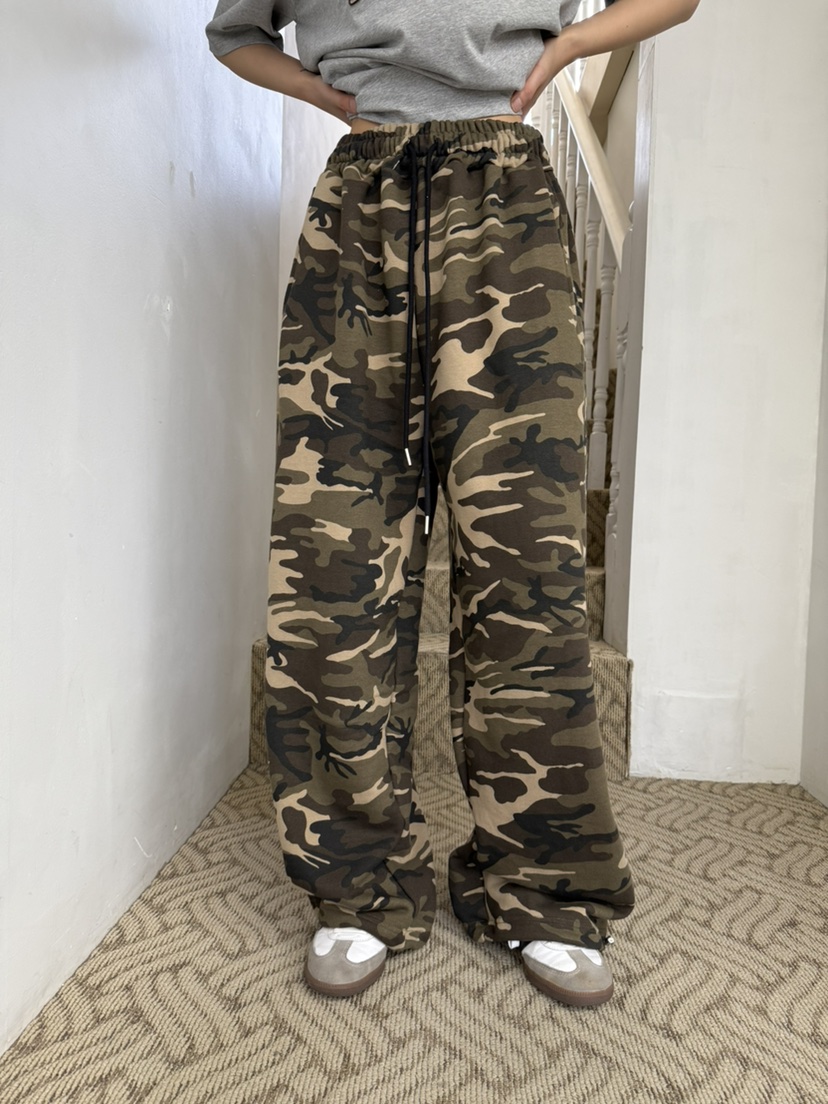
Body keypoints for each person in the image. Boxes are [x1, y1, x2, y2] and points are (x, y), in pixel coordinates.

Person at [205, 0, 700, 1008]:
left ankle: (546, 889)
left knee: (529, 566)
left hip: (507, 200)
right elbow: (236, 33)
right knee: (335, 568)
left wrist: (567, 47)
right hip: (361, 206)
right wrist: (327, 96)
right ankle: (357, 882)